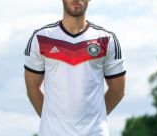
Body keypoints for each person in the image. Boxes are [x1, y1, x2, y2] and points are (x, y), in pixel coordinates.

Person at [24, 0, 126, 135]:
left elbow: (118, 90)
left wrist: (94, 120)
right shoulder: (41, 38)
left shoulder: (106, 39)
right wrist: (52, 122)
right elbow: (32, 89)